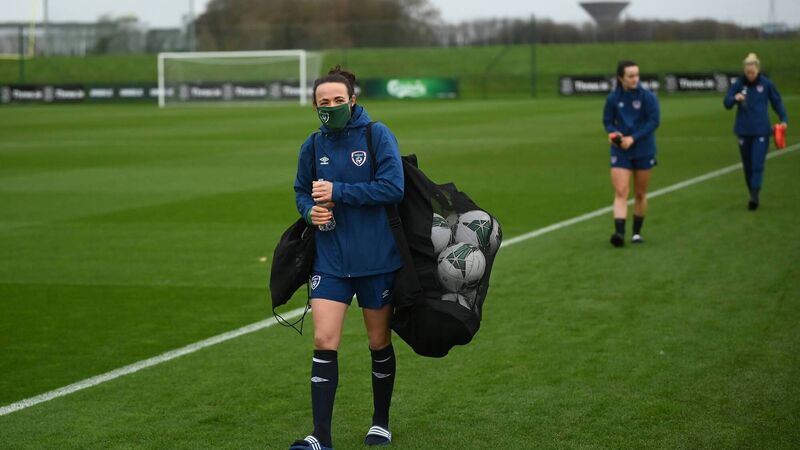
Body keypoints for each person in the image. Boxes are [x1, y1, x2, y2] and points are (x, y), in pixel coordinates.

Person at [290, 66, 404, 450]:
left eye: (339, 100)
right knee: (324, 339)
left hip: (376, 258)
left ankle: (381, 423)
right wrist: (310, 211)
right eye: (324, 102)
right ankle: (321, 436)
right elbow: (301, 191)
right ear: (315, 106)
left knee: (378, 340)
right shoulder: (312, 145)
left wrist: (339, 191)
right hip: (330, 259)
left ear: (352, 101)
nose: (332, 106)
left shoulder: (377, 134)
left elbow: (393, 188)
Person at [603, 60, 660, 247]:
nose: (635, 79)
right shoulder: (613, 98)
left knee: (640, 193)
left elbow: (654, 121)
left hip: (643, 149)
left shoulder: (648, 97)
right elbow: (608, 122)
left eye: (637, 75)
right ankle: (619, 234)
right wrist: (614, 134)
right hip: (620, 150)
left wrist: (633, 138)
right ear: (621, 78)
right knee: (621, 191)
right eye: (631, 76)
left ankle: (636, 233)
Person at [723, 52, 788, 210]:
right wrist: (735, 98)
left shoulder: (766, 84)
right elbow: (727, 103)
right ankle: (752, 192)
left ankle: (754, 196)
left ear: (757, 68)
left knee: (757, 163)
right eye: (747, 71)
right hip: (743, 131)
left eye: (752, 70)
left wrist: (783, 119)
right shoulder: (739, 84)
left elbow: (777, 101)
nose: (750, 74)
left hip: (761, 131)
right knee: (748, 167)